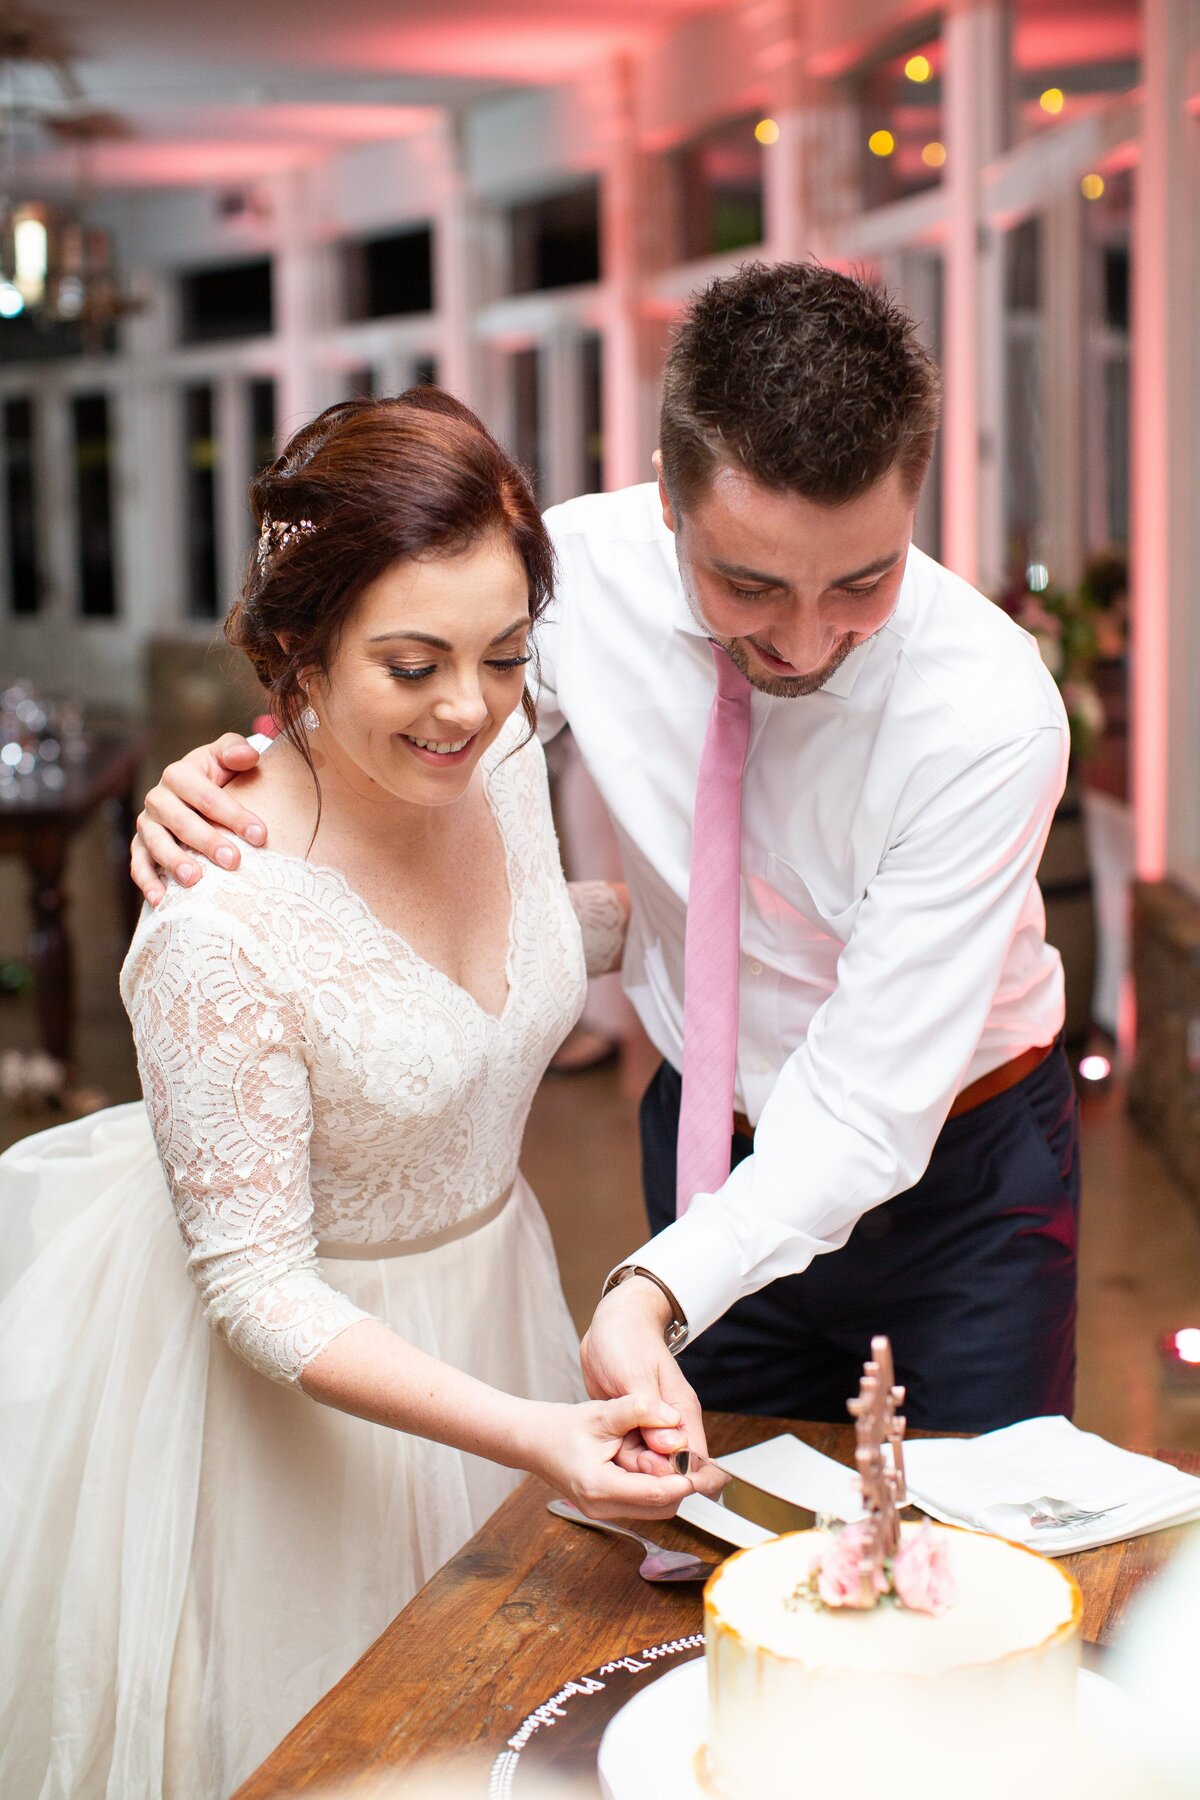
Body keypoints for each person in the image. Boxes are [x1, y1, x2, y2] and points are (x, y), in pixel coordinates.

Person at [129, 263, 1080, 1473]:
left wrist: (649, 1291)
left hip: (960, 1174)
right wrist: (249, 779)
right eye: (749, 584)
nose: (802, 641)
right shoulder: (572, 579)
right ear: (666, 504)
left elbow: (865, 1106)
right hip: (698, 1134)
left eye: (862, 582)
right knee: (712, 1541)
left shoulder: (991, 718)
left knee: (973, 1536)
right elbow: (420, 735)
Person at [0, 390, 699, 1800]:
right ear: (296, 650)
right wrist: (537, 1434)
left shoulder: (498, 757)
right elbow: (256, 1289)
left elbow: (480, 966)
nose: (467, 706)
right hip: (302, 1412)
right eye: (411, 664)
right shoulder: (215, 920)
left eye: (503, 656)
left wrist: (686, 921)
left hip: (494, 1300)